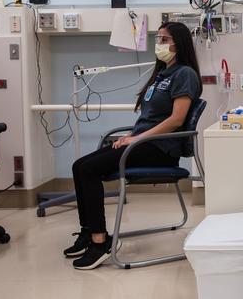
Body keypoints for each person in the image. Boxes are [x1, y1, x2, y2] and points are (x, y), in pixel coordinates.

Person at [64, 22, 202, 270]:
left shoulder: (185, 74)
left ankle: (100, 242)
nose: (159, 44)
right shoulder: (162, 74)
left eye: (164, 39)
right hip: (144, 142)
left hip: (160, 149)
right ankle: (88, 232)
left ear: (179, 43)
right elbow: (151, 117)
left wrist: (137, 138)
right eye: (157, 39)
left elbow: (176, 120)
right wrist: (132, 133)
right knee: (79, 166)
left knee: (88, 170)